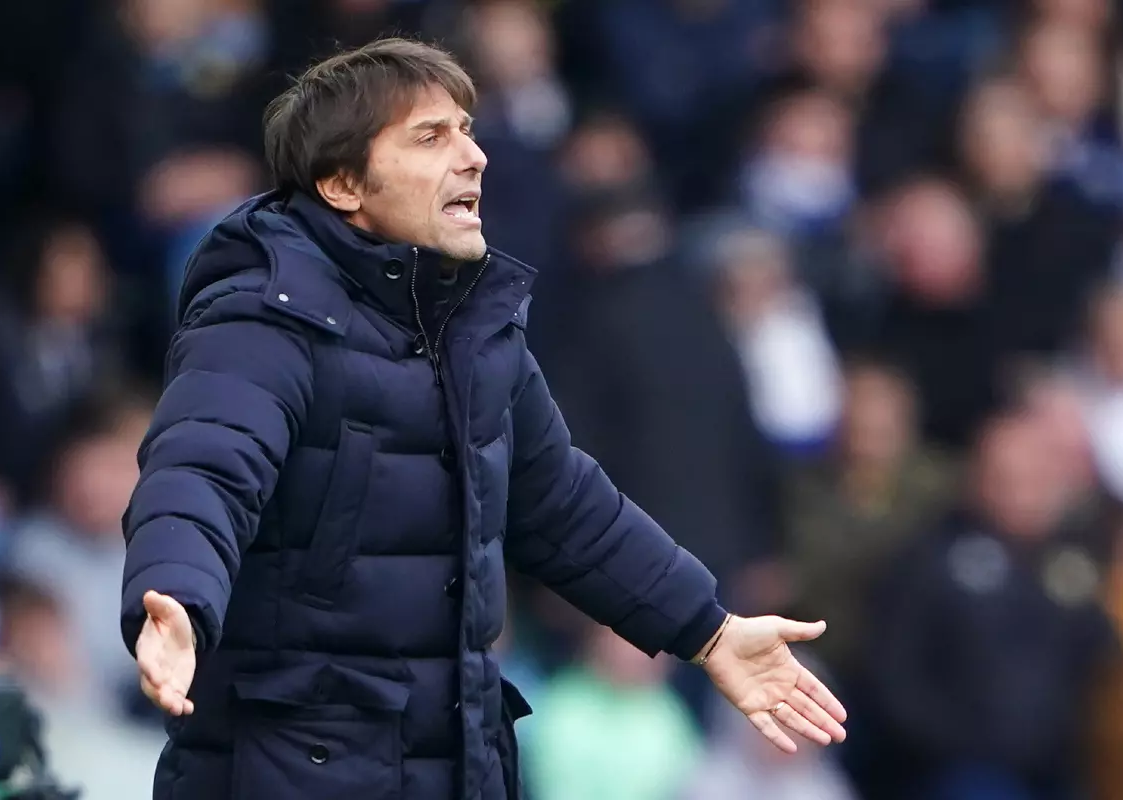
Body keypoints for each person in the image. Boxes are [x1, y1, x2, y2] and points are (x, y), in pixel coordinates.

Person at [119, 37, 847, 800]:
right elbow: (203, 471)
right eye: (430, 137)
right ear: (343, 183)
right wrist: (177, 598)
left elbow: (564, 508)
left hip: (455, 763)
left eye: (467, 130)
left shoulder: (475, 331)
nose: (474, 156)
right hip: (289, 770)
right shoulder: (263, 316)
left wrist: (709, 630)